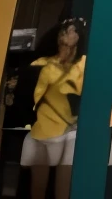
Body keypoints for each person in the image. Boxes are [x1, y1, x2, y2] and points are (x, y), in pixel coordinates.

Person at [23, 18, 86, 199]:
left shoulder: (83, 65)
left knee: (63, 190)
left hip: (68, 132)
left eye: (72, 30)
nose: (66, 33)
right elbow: (30, 93)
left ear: (80, 36)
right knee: (37, 189)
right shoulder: (42, 64)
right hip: (42, 129)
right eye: (63, 30)